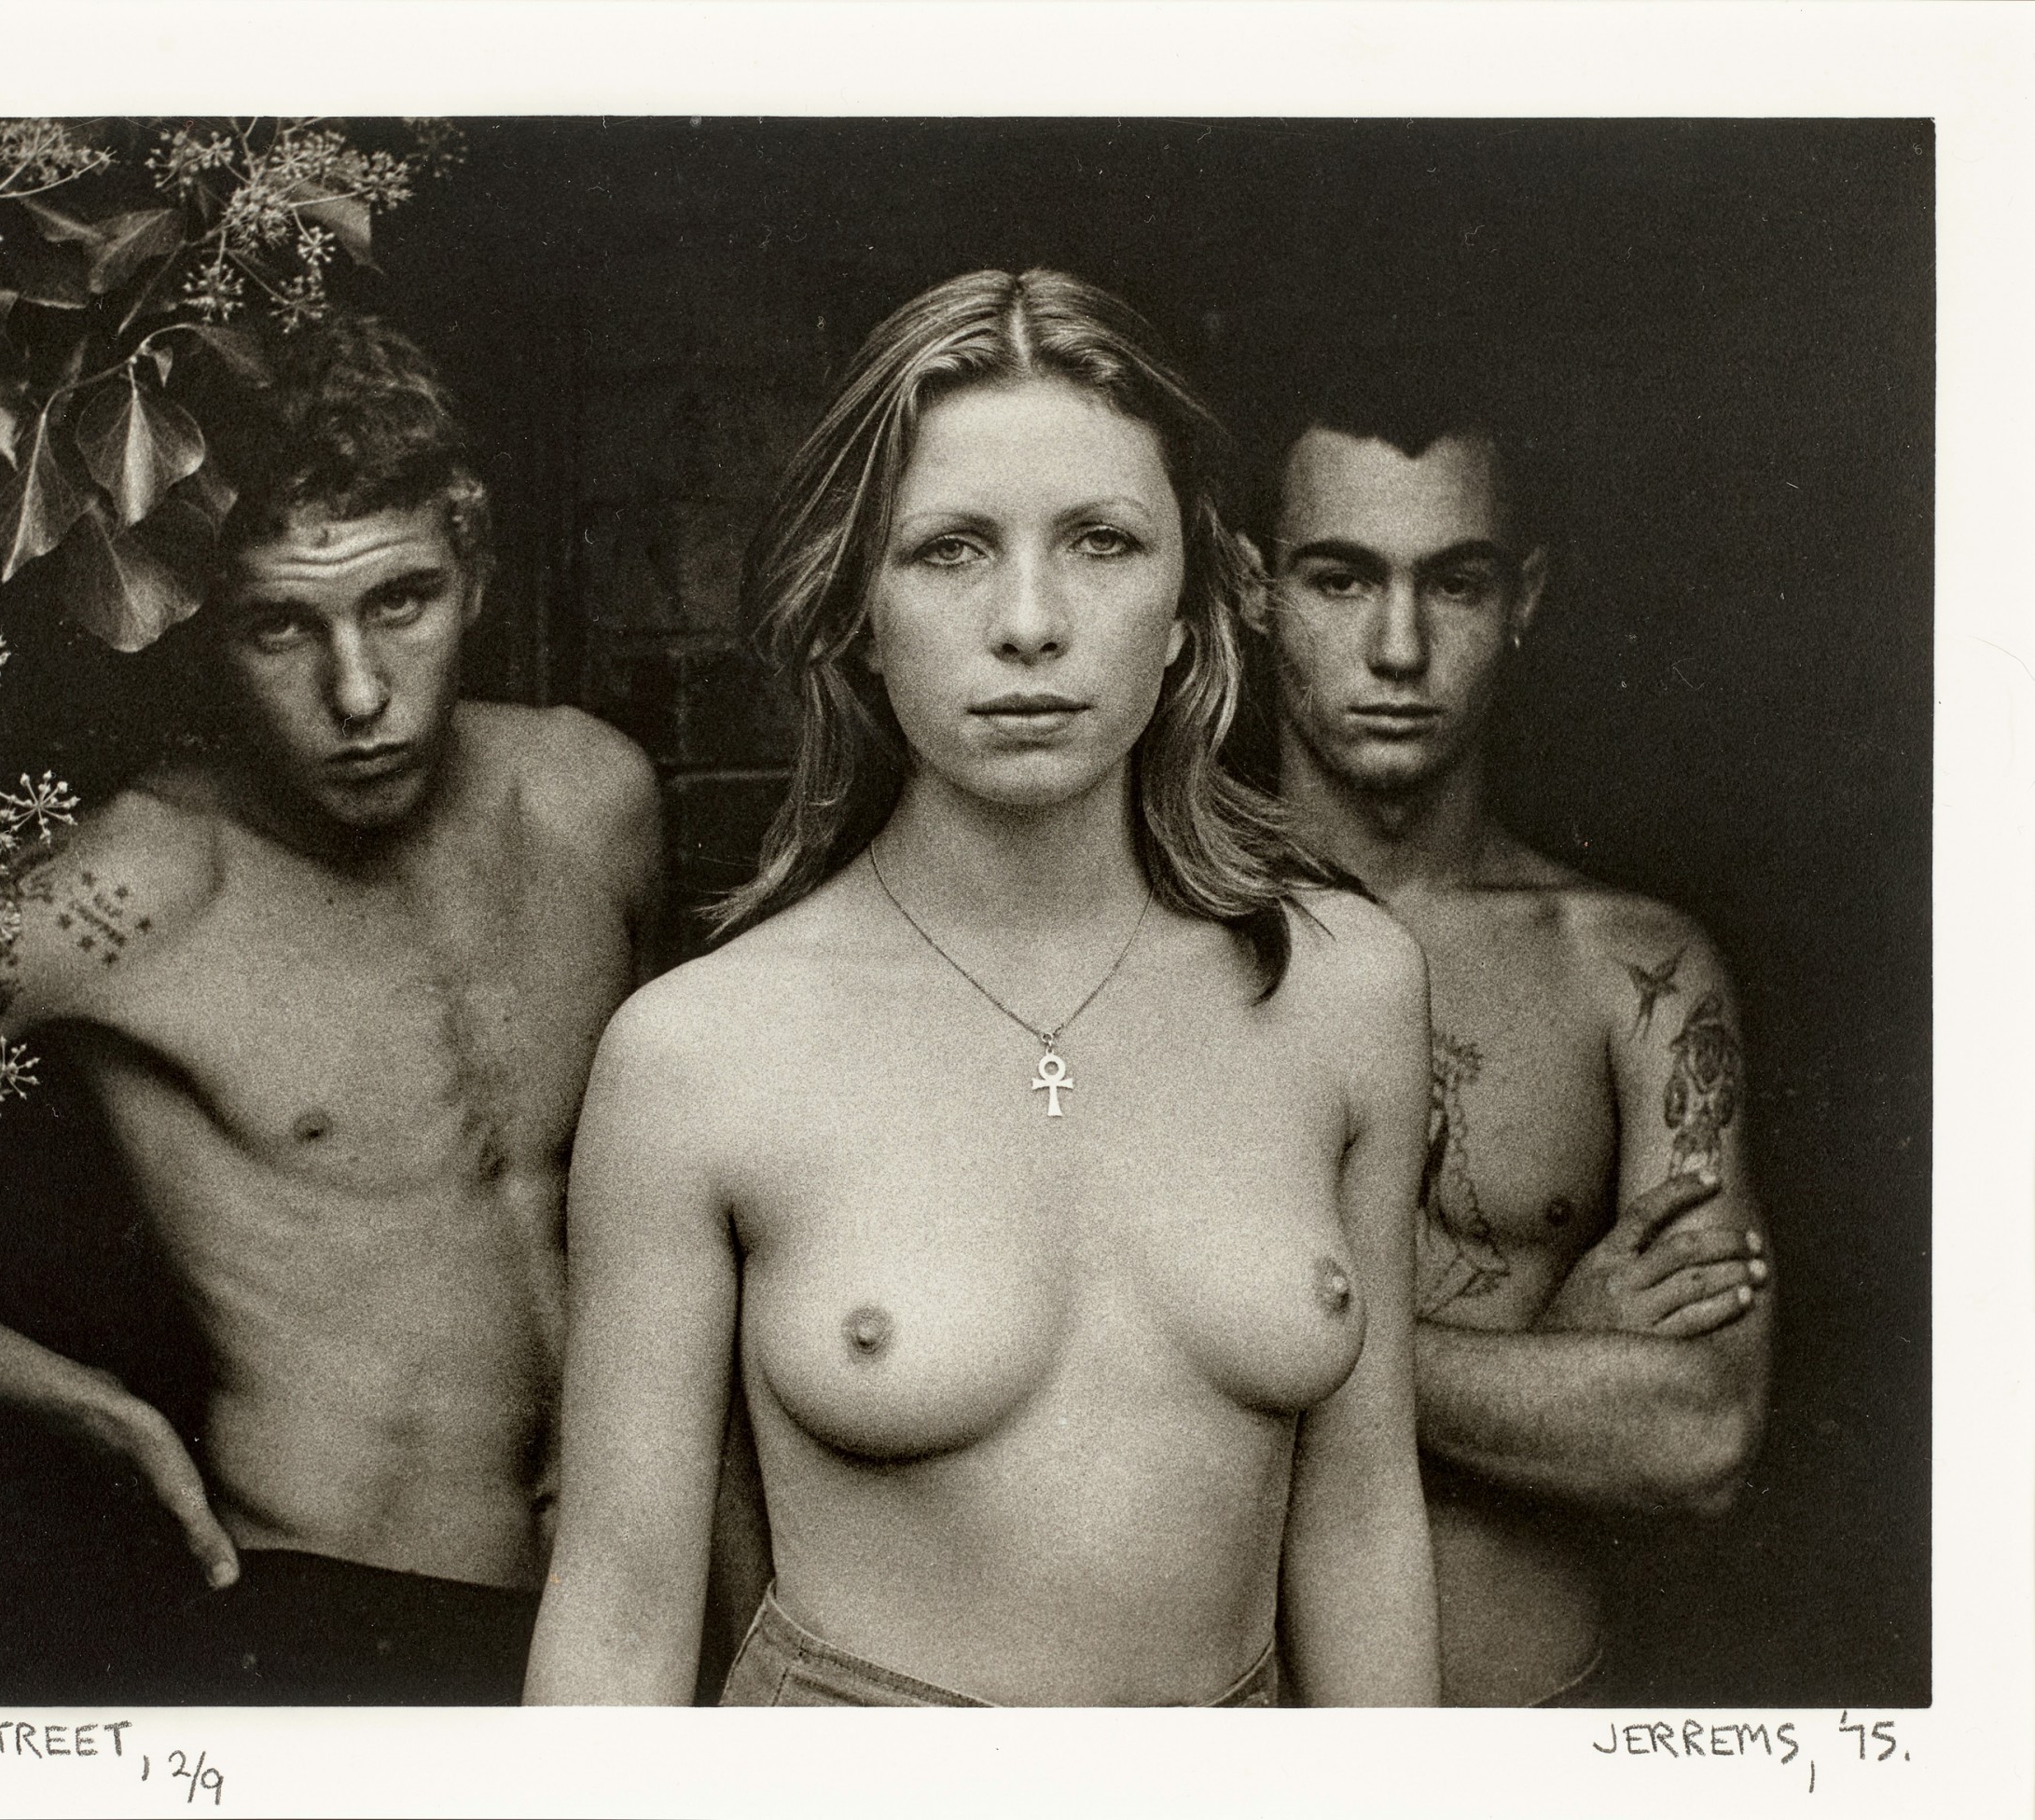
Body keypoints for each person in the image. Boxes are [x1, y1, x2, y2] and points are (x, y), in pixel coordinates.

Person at [525, 269, 1439, 1708]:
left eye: (1101, 542)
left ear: (1194, 602)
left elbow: (1364, 1527)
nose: (1030, 622)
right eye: (951, 549)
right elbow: (622, 1616)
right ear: (855, 605)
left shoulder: (1346, 994)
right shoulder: (699, 1053)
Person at [0, 317, 662, 1703]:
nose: (357, 693)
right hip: (332, 1613)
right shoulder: (129, 890)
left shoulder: (592, 803)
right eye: (281, 625)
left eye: (403, 601)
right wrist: (93, 1408)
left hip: (619, 1608)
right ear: (206, 632)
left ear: (478, 576)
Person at [1244, 373, 1773, 1705]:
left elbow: (1701, 1431)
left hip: (1540, 1731)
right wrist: (1551, 1343)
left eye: (1457, 584)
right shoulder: (1162, 942)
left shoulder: (1632, 970)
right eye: (1341, 579)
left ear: (1523, 598)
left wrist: (1280, 1351)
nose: (1400, 648)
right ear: (1253, 587)